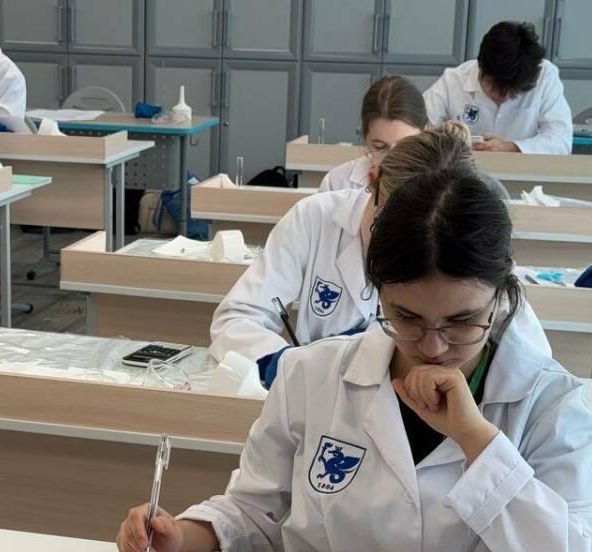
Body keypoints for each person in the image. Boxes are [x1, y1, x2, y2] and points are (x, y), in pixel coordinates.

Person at [116, 169, 592, 552]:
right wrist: (183, 535)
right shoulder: (311, 374)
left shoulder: (548, 403)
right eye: (406, 317)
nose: (433, 347)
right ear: (375, 288)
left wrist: (478, 442)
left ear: (502, 285)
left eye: (462, 321)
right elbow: (255, 513)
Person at [210, 125, 550, 386]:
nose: (402, 246)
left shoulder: (473, 242)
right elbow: (238, 318)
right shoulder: (314, 218)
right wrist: (287, 366)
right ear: (372, 181)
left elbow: (534, 367)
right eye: (390, 222)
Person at [423, 21, 572, 154]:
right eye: (494, 86)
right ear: (480, 66)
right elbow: (417, 127)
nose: (501, 96)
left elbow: (561, 140)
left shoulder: (544, 76)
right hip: (463, 171)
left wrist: (512, 147)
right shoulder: (453, 80)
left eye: (512, 92)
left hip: (524, 172)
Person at [317, 74, 427, 193]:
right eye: (380, 147)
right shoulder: (337, 183)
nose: (393, 160)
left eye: (405, 146)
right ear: (365, 136)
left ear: (426, 133)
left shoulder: (440, 184)